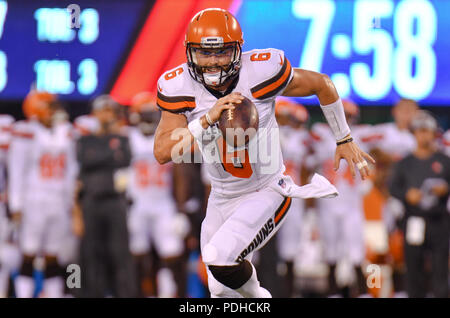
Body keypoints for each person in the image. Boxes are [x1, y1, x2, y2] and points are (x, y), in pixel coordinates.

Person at [153, 8, 374, 298]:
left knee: (220, 257)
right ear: (190, 53)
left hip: (266, 189)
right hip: (221, 196)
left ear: (237, 50)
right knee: (219, 289)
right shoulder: (178, 86)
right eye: (205, 54)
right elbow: (162, 151)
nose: (213, 63)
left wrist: (343, 137)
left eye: (222, 52)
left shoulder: (261, 72)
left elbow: (322, 83)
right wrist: (206, 120)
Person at [8, 90, 77, 298]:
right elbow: (16, 170)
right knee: (28, 253)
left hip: (58, 201)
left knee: (53, 255)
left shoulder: (65, 132)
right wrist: (16, 205)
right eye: (49, 106)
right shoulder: (26, 132)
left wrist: (71, 203)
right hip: (34, 201)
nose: (54, 111)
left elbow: (72, 170)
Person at [126, 92, 189, 297]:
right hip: (137, 204)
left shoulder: (167, 137)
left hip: (163, 203)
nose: (151, 119)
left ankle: (169, 294)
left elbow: (179, 173)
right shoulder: (127, 138)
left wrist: (181, 208)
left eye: (153, 114)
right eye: (146, 114)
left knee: (171, 254)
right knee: (137, 256)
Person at [75, 95, 136, 297]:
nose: (107, 115)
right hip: (91, 202)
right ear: (95, 113)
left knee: (120, 253)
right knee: (91, 254)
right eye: (104, 110)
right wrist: (109, 154)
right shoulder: (85, 139)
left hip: (115, 201)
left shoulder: (123, 138)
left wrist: (102, 155)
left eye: (111, 111)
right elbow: (86, 160)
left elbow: (125, 160)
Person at [308, 99, 370, 297]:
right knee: (330, 251)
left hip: (351, 202)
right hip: (328, 201)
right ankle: (333, 293)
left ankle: (362, 292)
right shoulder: (320, 133)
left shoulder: (360, 135)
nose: (344, 120)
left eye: (348, 116)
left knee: (356, 251)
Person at [388, 110, 450, 298]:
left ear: (433, 133)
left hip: (438, 220)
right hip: (414, 219)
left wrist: (445, 189)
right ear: (414, 133)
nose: (423, 135)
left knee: (440, 267)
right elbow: (393, 187)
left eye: (427, 131)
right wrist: (407, 195)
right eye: (420, 131)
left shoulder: (444, 161)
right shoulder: (404, 163)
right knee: (413, 267)